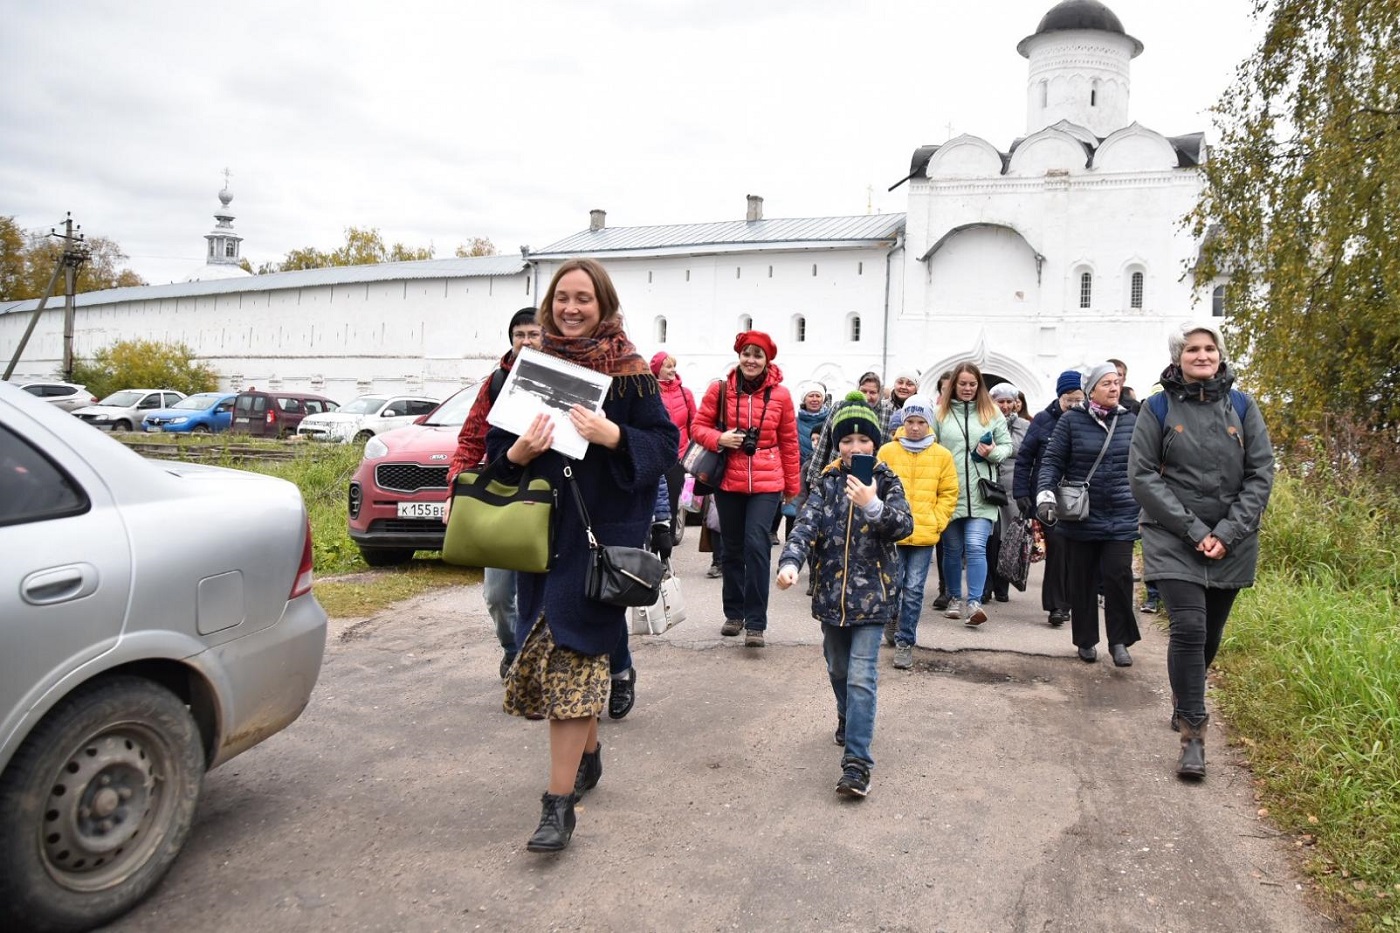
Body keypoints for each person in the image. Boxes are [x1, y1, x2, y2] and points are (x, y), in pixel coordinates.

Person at [486, 258, 678, 853]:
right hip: (539, 538)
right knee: (553, 659)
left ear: (604, 305)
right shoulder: (524, 369)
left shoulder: (632, 376)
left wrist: (613, 436)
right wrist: (517, 454)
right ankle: (587, 752)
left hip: (598, 542)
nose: (571, 309)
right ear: (549, 304)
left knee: (573, 657)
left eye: (584, 299)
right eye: (562, 298)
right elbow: (492, 455)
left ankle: (557, 804)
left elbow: (665, 447)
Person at [1129, 324, 1273, 779]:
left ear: (1220, 355)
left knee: (1209, 635)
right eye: (1193, 349)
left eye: (1210, 348)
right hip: (1173, 536)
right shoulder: (1156, 408)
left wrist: (1226, 533)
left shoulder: (1243, 406)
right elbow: (1142, 475)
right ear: (1179, 357)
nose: (1203, 355)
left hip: (1232, 540)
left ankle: (1183, 695)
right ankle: (1193, 734)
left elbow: (1261, 473)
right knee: (1189, 628)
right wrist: (1194, 530)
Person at [776, 393, 913, 798]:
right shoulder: (827, 481)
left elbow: (904, 525)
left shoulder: (886, 480)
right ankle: (846, 714)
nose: (855, 448)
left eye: (863, 440)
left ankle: (857, 764)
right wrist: (790, 562)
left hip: (873, 597)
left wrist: (873, 505)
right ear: (837, 445)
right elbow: (805, 526)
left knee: (861, 677)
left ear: (875, 442)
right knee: (838, 668)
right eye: (847, 441)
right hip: (831, 597)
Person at [446, 307, 543, 679]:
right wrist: (455, 490)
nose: (526, 342)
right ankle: (512, 649)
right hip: (503, 498)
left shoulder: (563, 380)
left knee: (546, 595)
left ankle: (536, 664)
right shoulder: (496, 383)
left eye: (534, 334)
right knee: (498, 595)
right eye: (520, 335)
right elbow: (470, 441)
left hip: (547, 502)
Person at [691, 331, 801, 647]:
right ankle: (734, 614)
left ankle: (755, 622)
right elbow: (697, 428)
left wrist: (792, 485)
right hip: (728, 478)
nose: (751, 360)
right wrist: (719, 438)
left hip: (767, 480)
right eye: (746, 354)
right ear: (739, 356)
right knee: (732, 548)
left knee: (756, 545)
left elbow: (789, 442)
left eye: (758, 355)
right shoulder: (720, 390)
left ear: (767, 360)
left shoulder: (781, 395)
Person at [1035, 362, 1140, 666]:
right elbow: (1052, 461)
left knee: (1118, 575)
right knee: (1082, 579)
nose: (1114, 387)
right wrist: (1045, 494)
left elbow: (1145, 464)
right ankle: (1085, 640)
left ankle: (1119, 641)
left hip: (1121, 511)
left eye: (1116, 382)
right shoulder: (1071, 421)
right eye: (1106, 383)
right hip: (1081, 514)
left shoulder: (1130, 421)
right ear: (1091, 389)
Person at [876, 393, 958, 667]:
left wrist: (937, 521)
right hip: (893, 532)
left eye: (921, 422)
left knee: (913, 589)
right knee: (893, 585)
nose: (914, 427)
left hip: (924, 534)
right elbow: (877, 487)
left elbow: (948, 493)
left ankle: (905, 641)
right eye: (910, 421)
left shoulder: (942, 455)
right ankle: (891, 619)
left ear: (929, 423)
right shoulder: (888, 451)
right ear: (903, 422)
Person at [931, 362, 1012, 626]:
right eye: (963, 384)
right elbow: (931, 447)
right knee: (952, 550)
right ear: (954, 384)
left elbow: (1007, 446)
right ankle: (954, 597)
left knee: (976, 547)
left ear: (979, 386)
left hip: (981, 493)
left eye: (973, 384)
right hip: (949, 493)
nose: (967, 388)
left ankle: (974, 602)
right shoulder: (940, 414)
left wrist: (993, 453)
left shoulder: (991, 412)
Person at [1014, 370, 1084, 626]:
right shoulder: (1043, 420)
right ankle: (1057, 605)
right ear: (1059, 397)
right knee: (1058, 549)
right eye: (1069, 400)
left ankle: (1071, 600)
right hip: (1048, 495)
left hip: (1079, 496)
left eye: (1078, 400)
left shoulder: (1088, 420)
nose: (1073, 405)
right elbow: (1025, 458)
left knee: (1075, 551)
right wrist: (1021, 492)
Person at [805, 371, 894, 490]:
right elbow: (823, 445)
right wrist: (814, 478)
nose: (867, 396)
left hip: (869, 481)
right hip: (836, 477)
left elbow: (886, 451)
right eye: (863, 391)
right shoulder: (840, 408)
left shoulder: (887, 414)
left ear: (880, 394)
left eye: (872, 392)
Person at [983, 382, 1029, 603]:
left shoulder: (1024, 425)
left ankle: (1002, 585)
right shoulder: (985, 421)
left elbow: (1025, 451)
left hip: (1012, 486)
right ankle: (985, 585)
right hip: (989, 484)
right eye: (1000, 401)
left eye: (1009, 401)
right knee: (988, 537)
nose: (1005, 406)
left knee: (1008, 539)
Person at [651, 352, 695, 537]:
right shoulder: (649, 392)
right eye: (668, 366)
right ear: (657, 369)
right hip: (655, 454)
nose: (673, 370)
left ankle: (667, 541)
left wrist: (693, 455)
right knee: (654, 499)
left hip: (678, 456)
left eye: (674, 366)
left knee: (672, 498)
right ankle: (652, 538)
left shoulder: (686, 394)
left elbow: (694, 425)